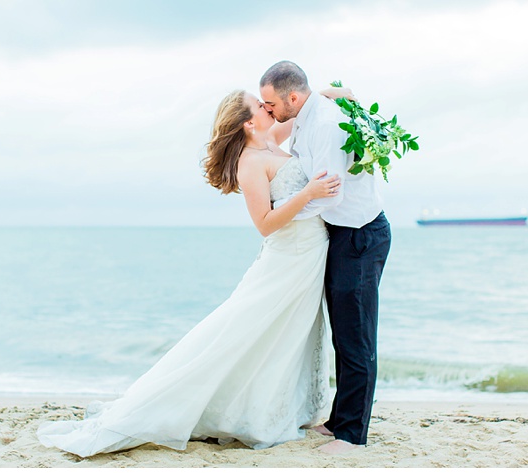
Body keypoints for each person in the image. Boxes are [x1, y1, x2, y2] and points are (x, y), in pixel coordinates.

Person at [36, 86, 350, 457]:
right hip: (287, 257)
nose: (269, 109)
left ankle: (279, 405)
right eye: (261, 107)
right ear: (249, 123)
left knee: (287, 334)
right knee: (242, 331)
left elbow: (300, 112)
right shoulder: (250, 161)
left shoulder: (269, 138)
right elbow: (265, 224)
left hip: (309, 255)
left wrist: (329, 93)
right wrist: (308, 193)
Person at [259, 61, 392, 455]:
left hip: (360, 237)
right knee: (341, 333)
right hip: (339, 234)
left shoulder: (324, 125)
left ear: (292, 98)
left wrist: (278, 216)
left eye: (270, 103)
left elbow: (325, 194)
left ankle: (352, 435)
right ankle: (339, 421)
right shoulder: (306, 113)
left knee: (356, 336)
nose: (268, 110)